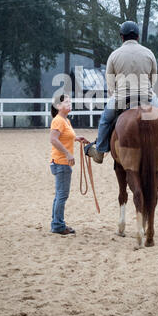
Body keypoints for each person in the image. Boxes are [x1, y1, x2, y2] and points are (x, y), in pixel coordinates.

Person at [85, 21, 158, 163]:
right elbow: (153, 78)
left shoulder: (114, 55)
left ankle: (100, 151)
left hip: (121, 98)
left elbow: (110, 82)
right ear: (137, 37)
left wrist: (114, 94)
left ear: (122, 37)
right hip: (146, 97)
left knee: (105, 120)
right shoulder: (149, 53)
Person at [50, 94, 89, 235]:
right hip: (61, 162)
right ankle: (58, 225)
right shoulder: (59, 121)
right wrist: (67, 153)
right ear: (59, 106)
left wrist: (77, 139)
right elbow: (53, 139)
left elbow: (64, 137)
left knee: (59, 195)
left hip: (61, 162)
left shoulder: (65, 121)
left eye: (69, 101)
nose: (69, 103)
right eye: (66, 102)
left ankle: (56, 222)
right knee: (62, 195)